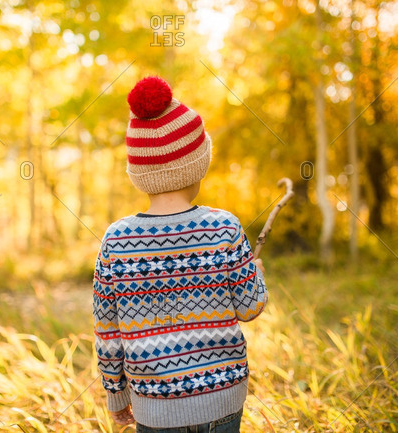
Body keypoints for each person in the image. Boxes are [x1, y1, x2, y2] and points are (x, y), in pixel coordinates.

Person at [92, 76, 268, 433]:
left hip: (153, 410)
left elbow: (106, 331)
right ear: (198, 164)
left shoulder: (116, 240)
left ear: (138, 173)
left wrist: (117, 396)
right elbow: (251, 307)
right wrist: (255, 273)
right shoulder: (224, 228)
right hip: (223, 399)